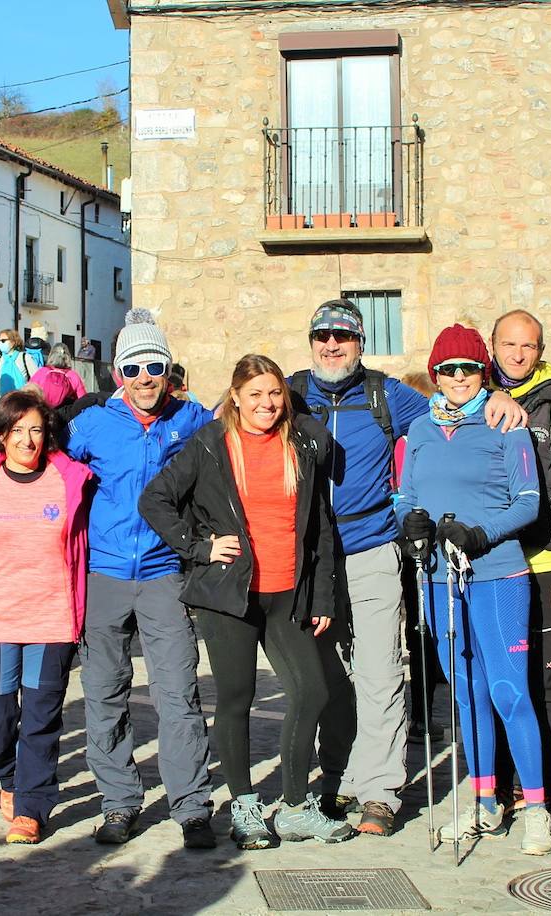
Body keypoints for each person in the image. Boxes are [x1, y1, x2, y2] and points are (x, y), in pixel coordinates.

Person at [292, 299, 523, 838]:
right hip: (306, 559)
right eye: (322, 335)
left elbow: (451, 411)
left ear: (360, 343)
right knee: (325, 678)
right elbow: (229, 420)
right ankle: (340, 776)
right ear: (311, 341)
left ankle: (379, 790)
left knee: (379, 672)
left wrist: (499, 399)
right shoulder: (290, 391)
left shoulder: (386, 394)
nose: (331, 345)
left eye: (342, 337)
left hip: (370, 549)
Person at [142, 354, 352, 849]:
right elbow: (155, 499)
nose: (267, 403)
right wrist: (199, 548)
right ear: (235, 396)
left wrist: (320, 595)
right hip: (229, 597)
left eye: (275, 393)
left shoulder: (299, 443)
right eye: (255, 394)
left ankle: (297, 807)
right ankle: (244, 807)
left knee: (312, 693)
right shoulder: (211, 444)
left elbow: (319, 527)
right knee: (236, 700)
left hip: (288, 594)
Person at [395, 324, 551, 855]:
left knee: (510, 692)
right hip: (440, 577)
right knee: (466, 694)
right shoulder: (419, 429)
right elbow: (405, 495)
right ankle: (485, 803)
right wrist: (411, 521)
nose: (457, 378)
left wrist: (482, 534)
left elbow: (529, 502)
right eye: (447, 369)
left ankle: (536, 810)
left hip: (496, 572)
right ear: (435, 374)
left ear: (483, 372)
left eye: (468, 368)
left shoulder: (504, 423)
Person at [64, 308, 217, 849]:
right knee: (104, 693)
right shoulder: (92, 425)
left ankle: (192, 806)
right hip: (103, 574)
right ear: (116, 374)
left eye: (155, 366)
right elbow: (49, 467)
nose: (145, 378)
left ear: (170, 369)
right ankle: (119, 802)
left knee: (178, 692)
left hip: (163, 574)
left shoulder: (192, 419)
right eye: (132, 369)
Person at [0, 390, 94, 845]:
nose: (27, 440)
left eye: (36, 430)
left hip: (52, 619)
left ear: (47, 435)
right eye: (16, 430)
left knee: (42, 718)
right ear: (0, 434)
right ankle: (8, 774)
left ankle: (32, 806)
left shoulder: (70, 480)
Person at [487, 309, 551, 829]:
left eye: (528, 346)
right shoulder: (471, 396)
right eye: (509, 345)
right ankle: (504, 787)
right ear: (493, 346)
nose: (518, 355)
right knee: (501, 682)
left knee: (550, 682)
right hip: (494, 561)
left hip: (547, 561)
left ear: (540, 349)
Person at [396, 370, 444, 746]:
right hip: (405, 543)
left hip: (410, 544)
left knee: (418, 632)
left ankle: (418, 716)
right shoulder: (409, 440)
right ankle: (421, 717)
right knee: (420, 631)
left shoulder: (416, 439)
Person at [29, 343, 88, 409]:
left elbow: (28, 394)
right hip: (65, 415)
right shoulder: (73, 375)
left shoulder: (42, 372)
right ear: (68, 358)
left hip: (45, 412)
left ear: (51, 356)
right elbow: (83, 401)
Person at [0, 329, 30, 402]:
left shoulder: (24, 357)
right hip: (0, 403)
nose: (0, 343)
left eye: (3, 341)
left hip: (21, 402)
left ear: (13, 342)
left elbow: (36, 380)